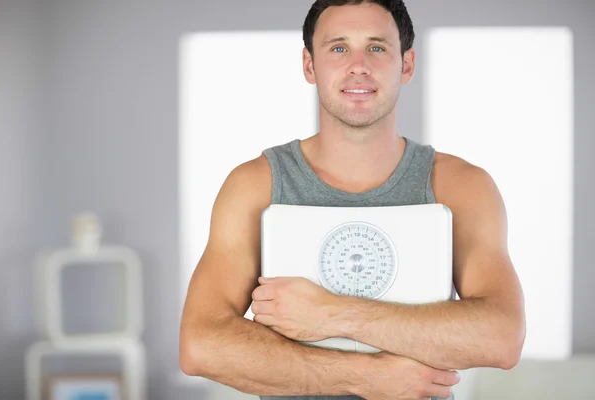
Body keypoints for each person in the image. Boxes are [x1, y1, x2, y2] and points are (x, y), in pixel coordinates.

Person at [179, 0, 526, 399]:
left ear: (407, 65)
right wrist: (363, 376)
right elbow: (200, 345)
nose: (358, 64)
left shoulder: (462, 186)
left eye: (377, 47)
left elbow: (502, 337)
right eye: (338, 48)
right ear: (310, 66)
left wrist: (331, 313)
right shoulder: (254, 186)